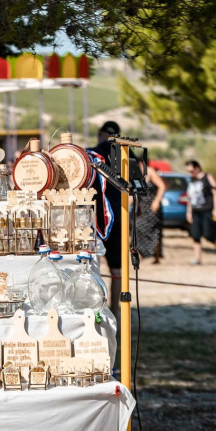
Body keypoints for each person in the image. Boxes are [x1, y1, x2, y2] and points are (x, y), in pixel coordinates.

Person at [88, 120, 124, 313]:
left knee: (92, 269)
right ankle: (116, 311)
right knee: (117, 270)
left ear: (101, 133)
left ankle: (97, 310)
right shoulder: (125, 154)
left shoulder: (92, 154)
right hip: (119, 217)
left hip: (96, 220)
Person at [185, 160, 216, 265]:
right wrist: (189, 211)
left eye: (191, 171)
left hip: (207, 210)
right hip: (196, 211)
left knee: (209, 234)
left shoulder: (207, 177)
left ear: (197, 168)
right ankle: (197, 259)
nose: (190, 173)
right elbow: (190, 198)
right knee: (195, 235)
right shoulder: (192, 180)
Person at [134, 155, 167, 264]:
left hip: (152, 205)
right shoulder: (137, 175)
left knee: (154, 230)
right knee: (138, 228)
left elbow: (162, 186)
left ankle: (155, 256)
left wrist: (157, 201)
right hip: (141, 207)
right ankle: (143, 254)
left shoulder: (151, 171)